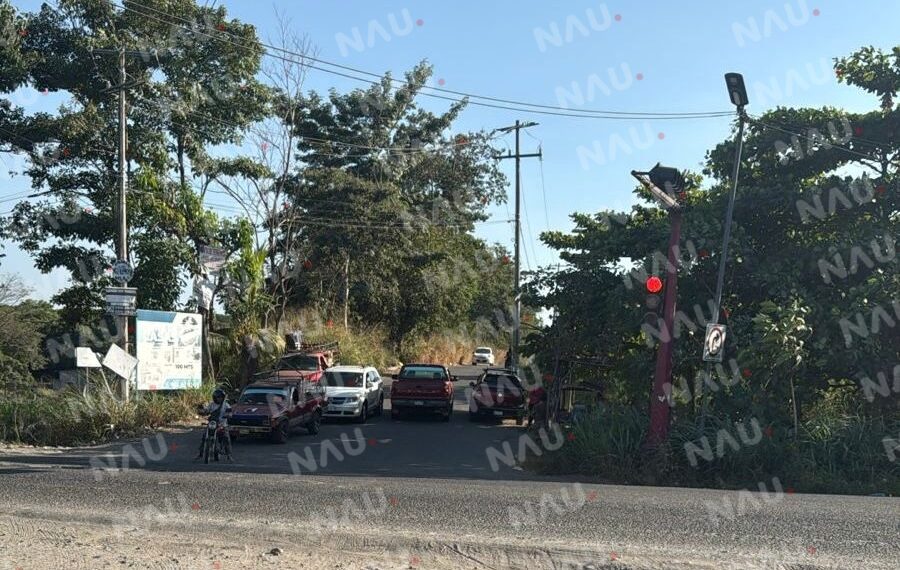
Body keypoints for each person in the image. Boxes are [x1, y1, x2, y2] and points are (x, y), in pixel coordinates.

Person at [195, 387, 232, 460]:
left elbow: (230, 413)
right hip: (212, 423)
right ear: (214, 397)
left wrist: (228, 415)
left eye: (221, 397)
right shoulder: (211, 404)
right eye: (218, 397)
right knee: (204, 436)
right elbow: (206, 411)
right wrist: (201, 411)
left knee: (226, 437)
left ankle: (229, 455)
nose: (219, 399)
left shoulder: (226, 405)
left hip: (222, 425)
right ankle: (200, 453)